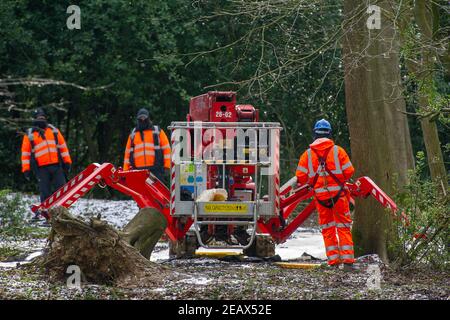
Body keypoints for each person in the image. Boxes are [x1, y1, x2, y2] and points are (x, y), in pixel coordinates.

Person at [295, 119, 355, 270]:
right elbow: (349, 172)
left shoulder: (307, 155)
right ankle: (348, 261)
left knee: (328, 228)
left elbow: (300, 177)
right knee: (343, 227)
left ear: (315, 134)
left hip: (321, 200)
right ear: (329, 133)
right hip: (339, 197)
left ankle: (333, 261)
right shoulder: (338, 151)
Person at [21, 108, 72, 205]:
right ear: (34, 119)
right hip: (41, 168)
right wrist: (26, 169)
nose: (41, 119)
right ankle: (46, 211)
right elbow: (25, 154)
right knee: (45, 192)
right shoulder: (30, 134)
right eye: (39, 117)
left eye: (42, 117)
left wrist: (67, 162)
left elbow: (63, 147)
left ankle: (63, 208)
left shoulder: (53, 131)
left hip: (56, 165)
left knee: (62, 189)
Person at [123, 108, 171, 182]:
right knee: (139, 193)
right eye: (140, 118)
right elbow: (127, 155)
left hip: (156, 171)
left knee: (157, 193)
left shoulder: (157, 131)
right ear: (138, 119)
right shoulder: (133, 135)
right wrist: (125, 171)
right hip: (138, 171)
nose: (142, 120)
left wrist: (167, 166)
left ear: (148, 118)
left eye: (144, 118)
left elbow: (167, 150)